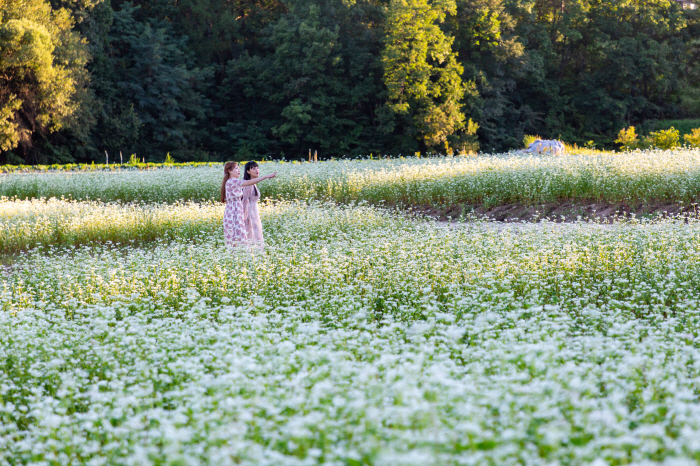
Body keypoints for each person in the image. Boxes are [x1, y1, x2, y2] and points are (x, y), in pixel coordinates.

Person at [220, 161, 276, 249]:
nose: (239, 171)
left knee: (237, 237)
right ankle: (240, 257)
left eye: (238, 168)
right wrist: (265, 176)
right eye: (236, 169)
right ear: (229, 171)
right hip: (235, 213)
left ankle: (240, 257)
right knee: (238, 238)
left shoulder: (231, 181)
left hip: (236, 211)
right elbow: (249, 183)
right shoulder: (232, 181)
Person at [242, 161, 265, 245]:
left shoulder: (253, 183)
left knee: (256, 235)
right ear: (248, 171)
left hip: (254, 213)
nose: (257, 170)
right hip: (250, 215)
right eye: (253, 168)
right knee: (252, 236)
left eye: (257, 168)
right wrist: (245, 217)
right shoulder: (248, 184)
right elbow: (245, 202)